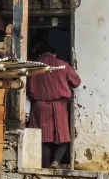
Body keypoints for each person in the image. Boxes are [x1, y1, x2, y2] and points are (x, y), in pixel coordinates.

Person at [26, 39, 81, 169]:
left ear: (39, 55)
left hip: (39, 107)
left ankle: (45, 165)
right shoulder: (63, 65)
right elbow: (76, 82)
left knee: (43, 138)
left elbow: (27, 89)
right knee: (63, 137)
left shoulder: (33, 68)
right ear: (54, 54)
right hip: (59, 106)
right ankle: (56, 162)